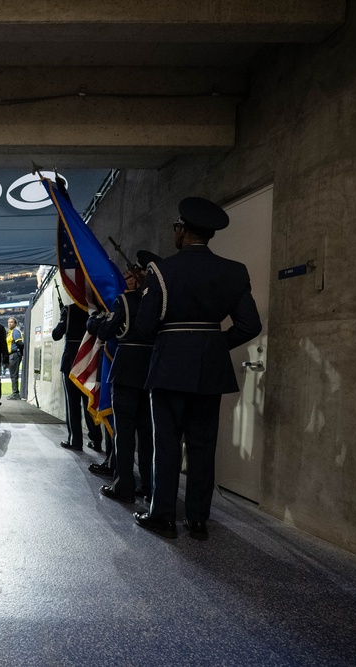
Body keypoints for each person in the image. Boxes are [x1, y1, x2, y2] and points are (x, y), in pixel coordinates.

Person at [133, 197, 262, 540]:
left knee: (167, 444)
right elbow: (250, 325)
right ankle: (198, 519)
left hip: (170, 366)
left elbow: (145, 327)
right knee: (203, 446)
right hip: (209, 369)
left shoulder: (162, 271)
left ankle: (162, 515)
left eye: (176, 228)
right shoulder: (234, 271)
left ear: (183, 230)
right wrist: (214, 345)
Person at [89, 252, 159, 505]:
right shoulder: (159, 302)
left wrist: (102, 320)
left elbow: (107, 331)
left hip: (127, 369)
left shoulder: (125, 301)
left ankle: (124, 485)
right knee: (148, 435)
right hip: (151, 371)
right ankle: (151, 488)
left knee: (125, 433)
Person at [52, 301, 103, 451]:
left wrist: (63, 316)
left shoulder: (70, 310)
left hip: (72, 362)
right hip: (90, 362)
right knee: (89, 402)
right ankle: (96, 440)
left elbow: (56, 334)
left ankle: (75, 440)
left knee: (73, 404)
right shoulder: (94, 309)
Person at [5, 317, 24, 400]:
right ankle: (15, 392)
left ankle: (15, 393)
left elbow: (19, 342)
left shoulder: (15, 331)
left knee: (13, 374)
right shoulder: (11, 332)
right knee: (13, 374)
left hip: (14, 354)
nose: (10, 324)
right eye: (9, 322)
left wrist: (20, 352)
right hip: (12, 355)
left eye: (12, 322)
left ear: (15, 324)